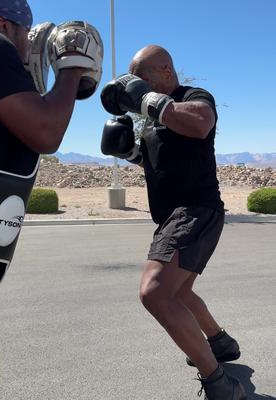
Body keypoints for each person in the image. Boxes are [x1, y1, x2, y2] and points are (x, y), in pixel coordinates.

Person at [100, 45, 246, 399]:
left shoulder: (192, 97)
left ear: (165, 71)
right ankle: (221, 343)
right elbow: (159, 163)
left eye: (142, 79)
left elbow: (199, 123)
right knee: (179, 291)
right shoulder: (157, 120)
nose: (136, 88)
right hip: (176, 216)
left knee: (154, 292)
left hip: (195, 210)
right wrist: (128, 151)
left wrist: (147, 99)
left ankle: (219, 382)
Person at [0, 1, 103, 398]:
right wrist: (70, 67)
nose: (25, 46)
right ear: (3, 22)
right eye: (24, 35)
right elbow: (45, 132)